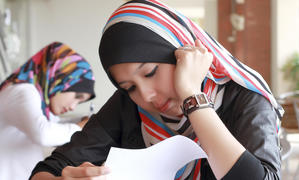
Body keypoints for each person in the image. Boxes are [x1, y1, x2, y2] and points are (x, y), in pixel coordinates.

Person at [30, 0, 283, 179]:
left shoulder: (245, 97)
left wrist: (191, 96)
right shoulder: (127, 105)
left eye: (150, 72)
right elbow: (47, 169)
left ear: (182, 51)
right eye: (128, 87)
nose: (146, 96)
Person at [0, 41, 96, 180]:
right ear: (61, 79)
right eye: (76, 96)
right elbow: (43, 134)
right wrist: (81, 126)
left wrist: (81, 121)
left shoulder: (36, 97)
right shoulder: (23, 91)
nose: (73, 106)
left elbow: (53, 125)